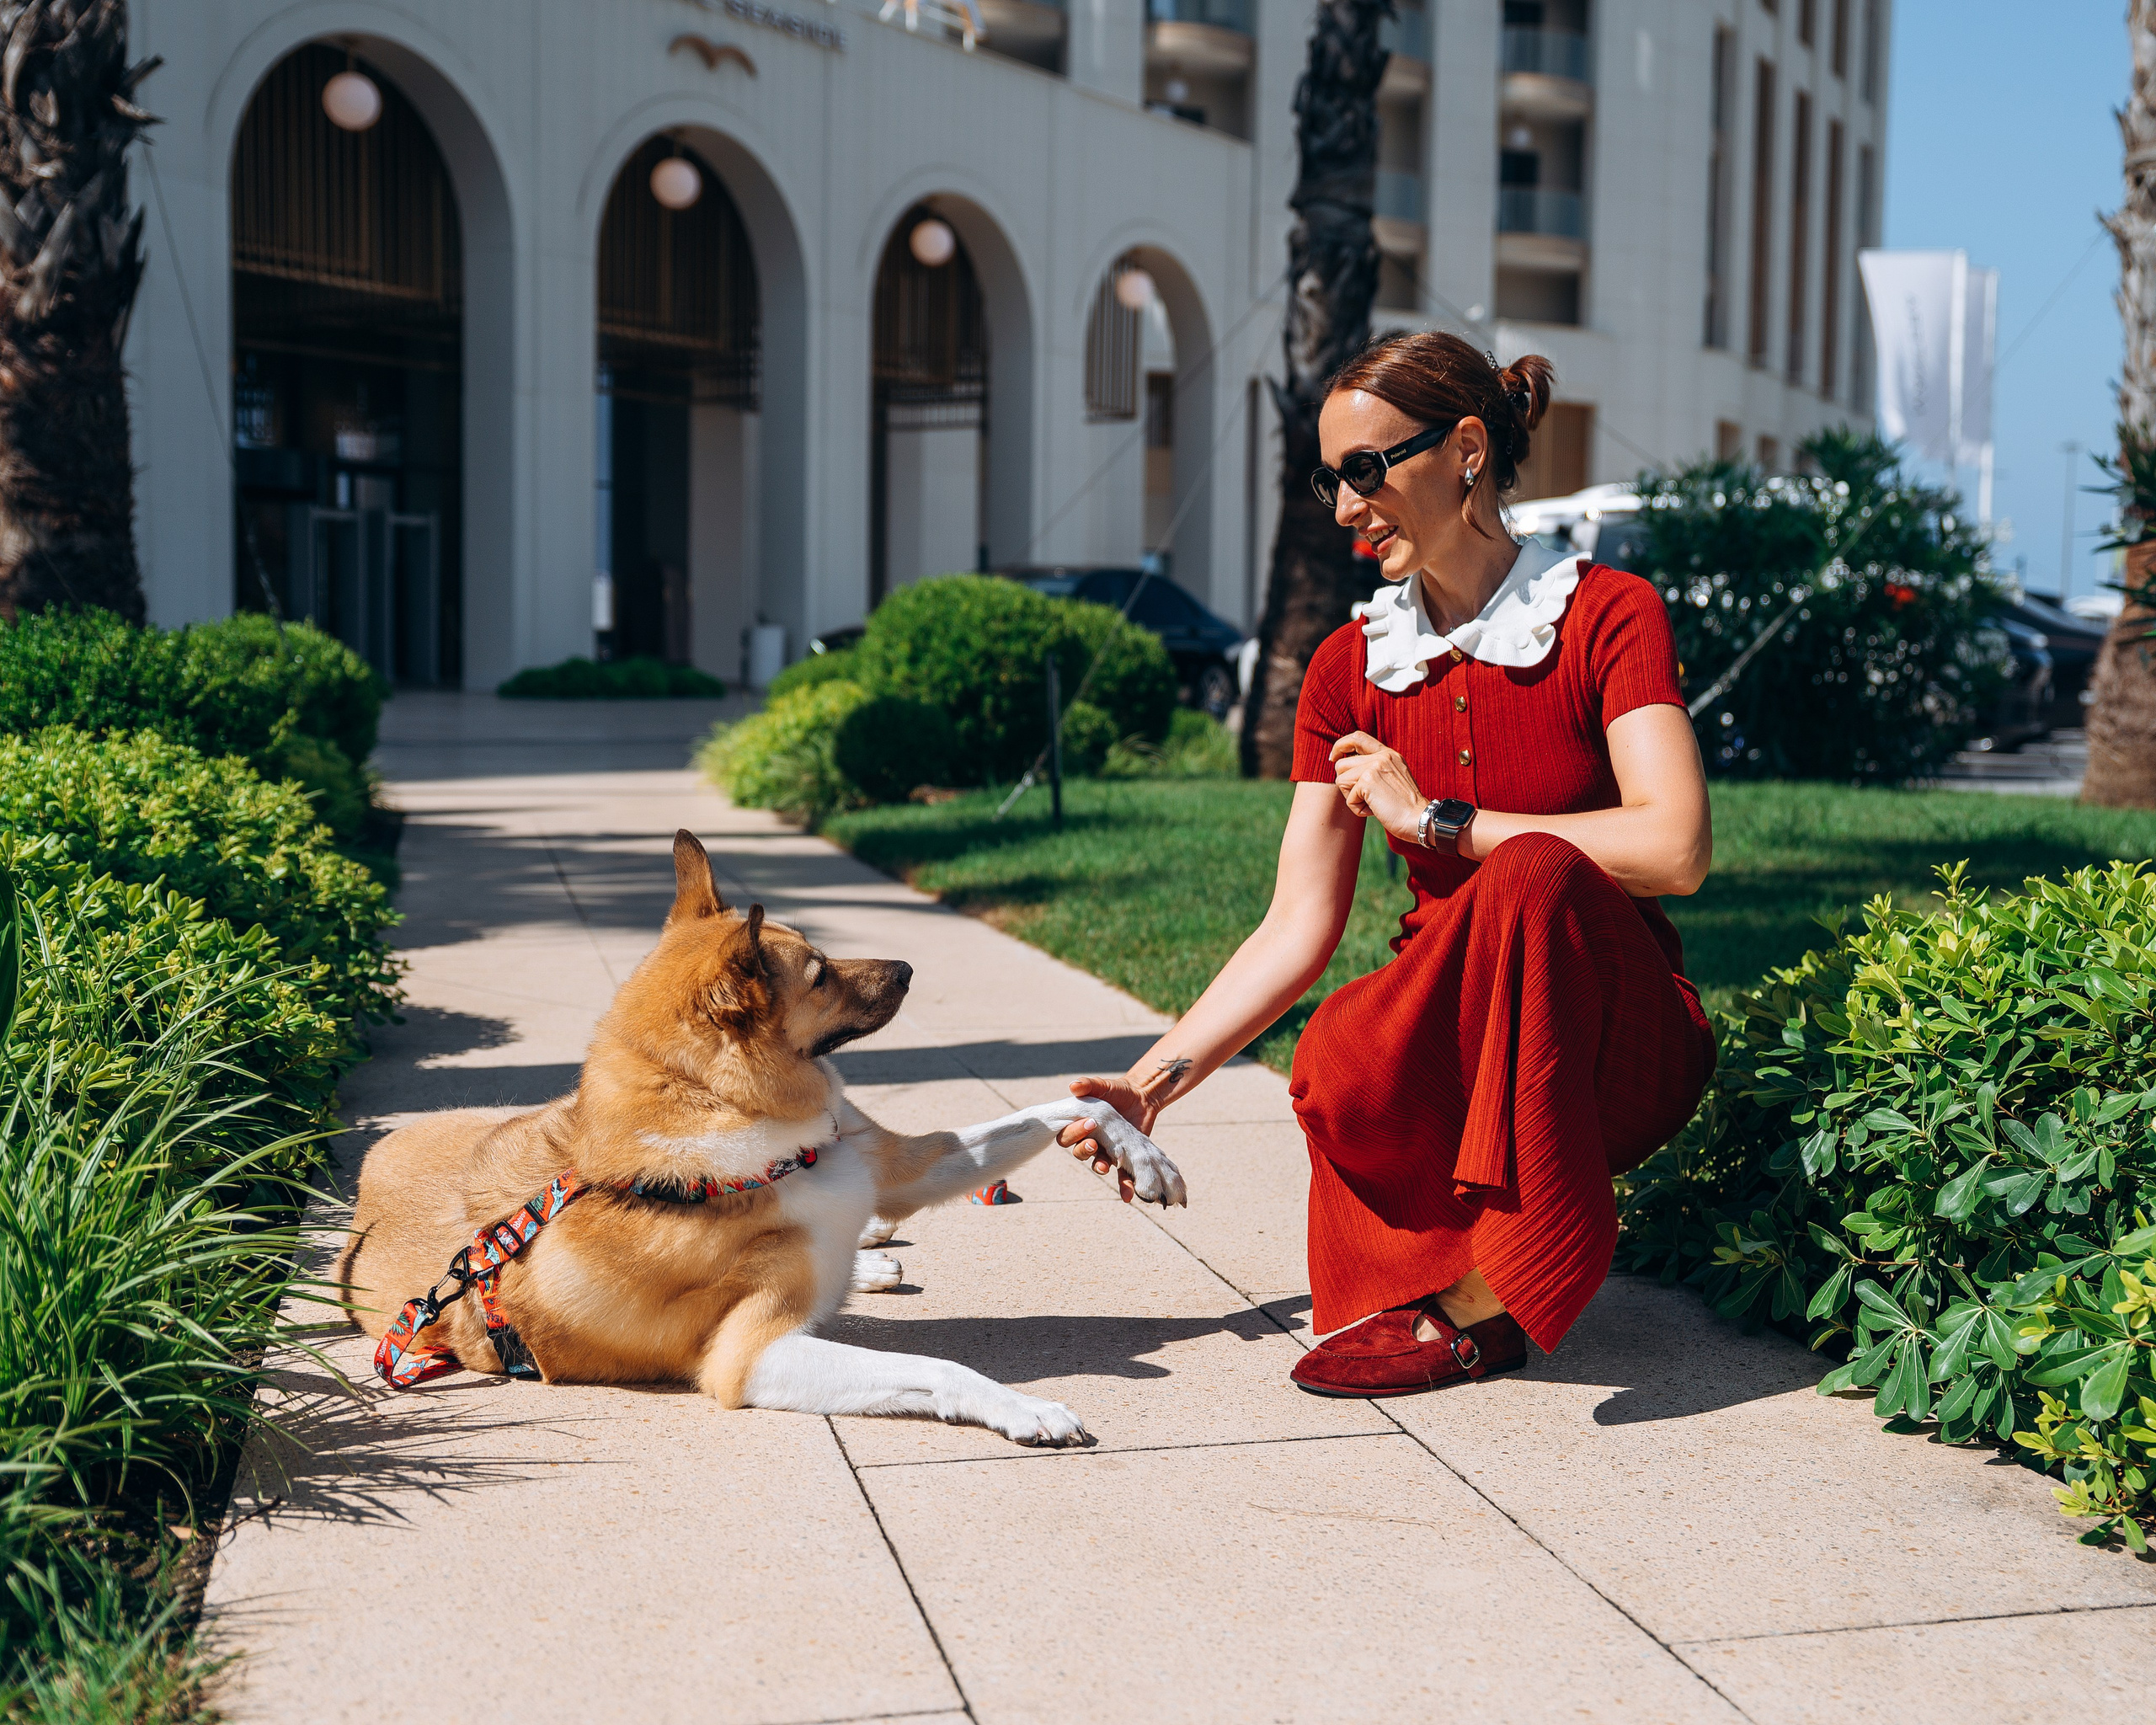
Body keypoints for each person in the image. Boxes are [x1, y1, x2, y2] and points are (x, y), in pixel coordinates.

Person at [1066, 331, 1716, 1397]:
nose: (1343, 507)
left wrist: (1443, 822)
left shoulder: (1607, 612)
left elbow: (1675, 846)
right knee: (1335, 1037)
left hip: (1612, 1033)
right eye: (1330, 479)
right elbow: (1296, 924)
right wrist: (1148, 1088)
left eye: (1365, 470)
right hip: (1455, 1046)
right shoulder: (1347, 667)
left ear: (1466, 448)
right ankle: (1441, 1267)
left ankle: (1485, 1296)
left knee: (1533, 874)